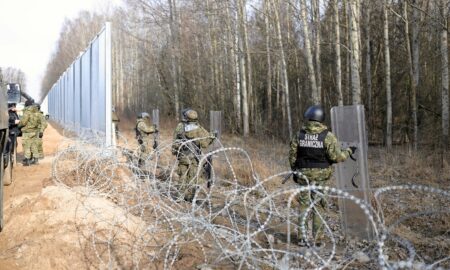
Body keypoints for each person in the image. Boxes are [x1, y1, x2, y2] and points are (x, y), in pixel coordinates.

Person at [288, 105, 356, 245]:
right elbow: (337, 158)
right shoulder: (327, 136)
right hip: (321, 177)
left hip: (303, 175)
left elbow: (292, 156)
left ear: (308, 117)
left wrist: (294, 171)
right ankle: (318, 239)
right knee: (318, 205)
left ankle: (301, 238)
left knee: (304, 205)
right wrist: (349, 151)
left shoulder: (299, 134)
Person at [172, 109, 216, 202]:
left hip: (183, 156)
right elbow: (204, 143)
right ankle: (190, 197)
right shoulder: (198, 128)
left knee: (182, 176)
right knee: (193, 177)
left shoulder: (180, 126)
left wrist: (176, 151)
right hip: (193, 158)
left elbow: (175, 141)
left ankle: (180, 196)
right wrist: (213, 136)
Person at [19, 101, 42, 166]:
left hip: (27, 132)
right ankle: (36, 160)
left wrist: (19, 125)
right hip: (34, 131)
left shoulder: (27, 112)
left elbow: (23, 122)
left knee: (26, 146)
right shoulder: (36, 112)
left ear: (26, 105)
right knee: (34, 145)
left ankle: (27, 161)